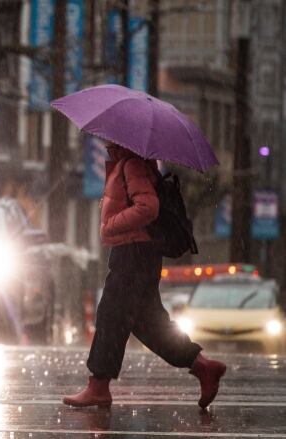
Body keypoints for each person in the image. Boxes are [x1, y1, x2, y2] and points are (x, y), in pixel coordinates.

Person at [63, 142, 226, 410]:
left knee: (111, 316)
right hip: (138, 253)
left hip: (133, 252)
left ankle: (99, 386)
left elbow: (148, 207)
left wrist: (109, 226)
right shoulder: (131, 164)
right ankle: (202, 367)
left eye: (110, 138)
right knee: (149, 323)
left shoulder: (132, 165)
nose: (105, 142)